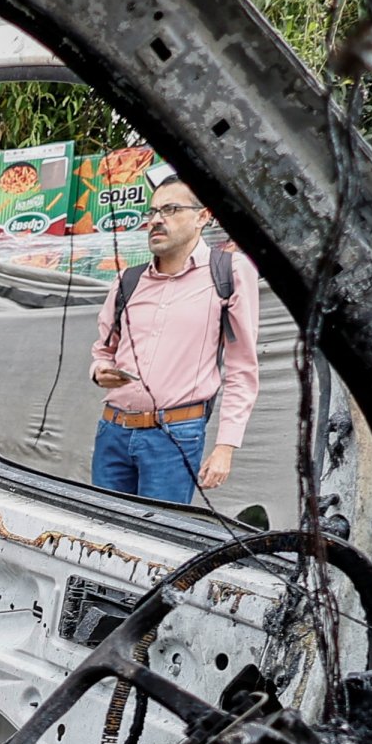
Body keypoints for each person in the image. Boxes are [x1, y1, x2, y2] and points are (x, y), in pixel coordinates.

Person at [88, 180, 259, 505]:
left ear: (202, 216)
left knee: (156, 540)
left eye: (171, 209)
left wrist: (225, 447)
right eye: (152, 211)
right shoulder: (128, 281)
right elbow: (103, 350)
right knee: (103, 533)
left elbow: (242, 369)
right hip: (113, 430)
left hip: (174, 436)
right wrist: (100, 371)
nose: (156, 219)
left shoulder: (228, 273)